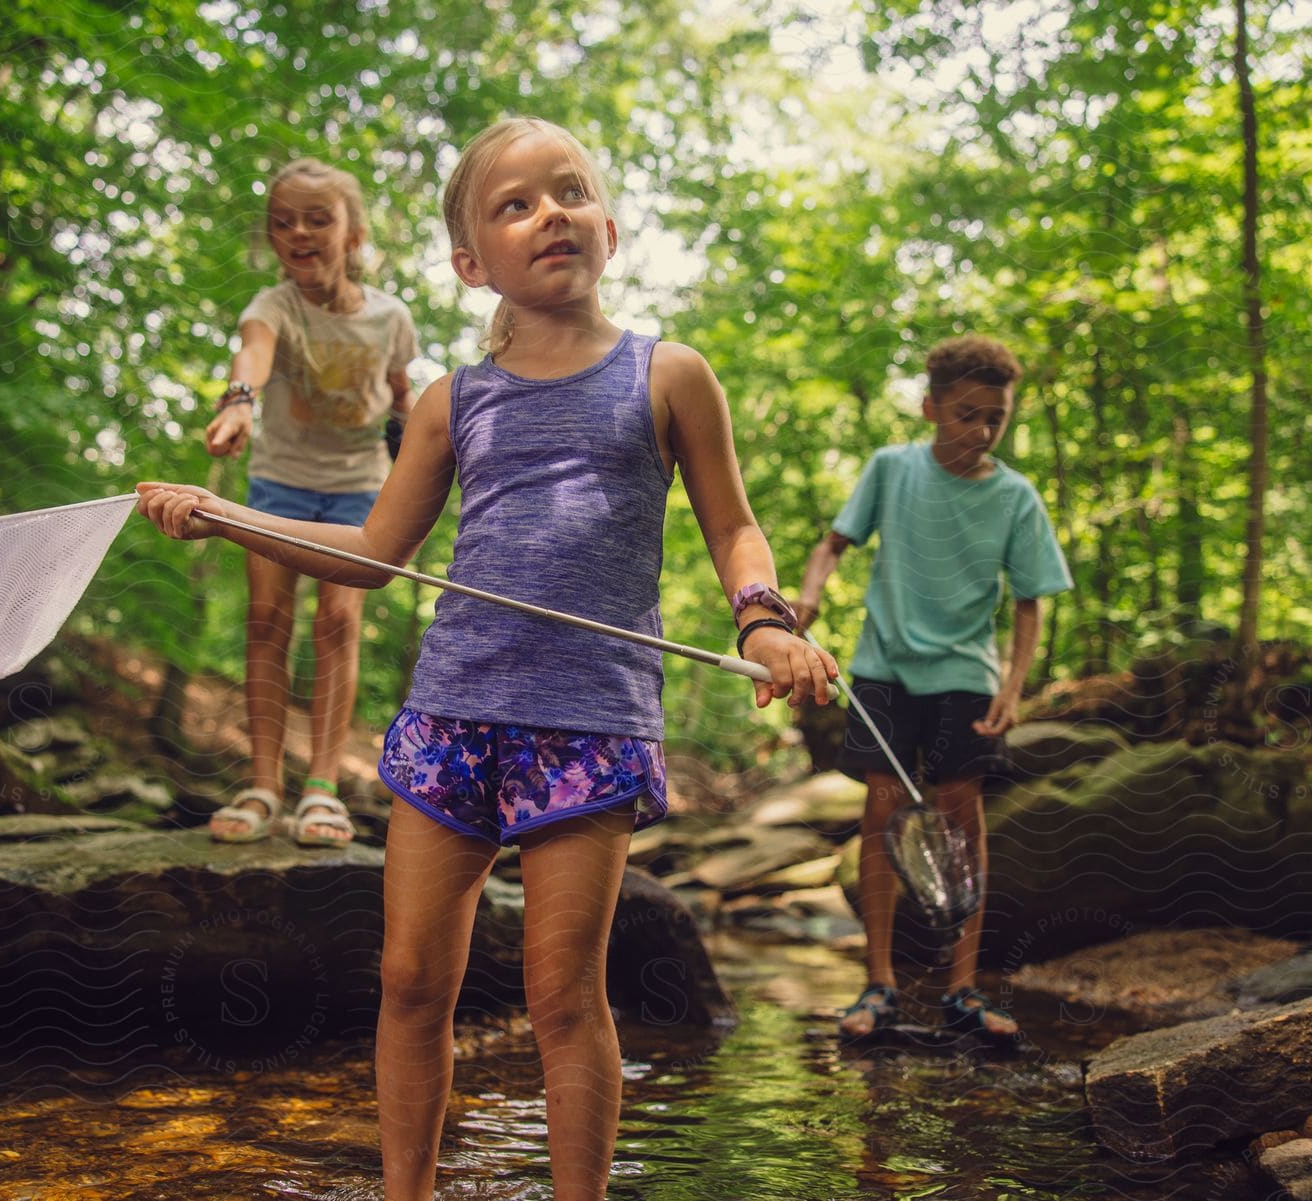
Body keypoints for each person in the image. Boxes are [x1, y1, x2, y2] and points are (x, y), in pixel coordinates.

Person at [137, 117, 838, 1201]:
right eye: (515, 205)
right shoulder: (449, 401)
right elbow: (373, 555)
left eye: (569, 192)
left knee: (565, 998)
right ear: (471, 264)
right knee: (413, 981)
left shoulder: (671, 375)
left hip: (589, 725)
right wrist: (232, 519)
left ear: (609, 224)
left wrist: (763, 617)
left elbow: (735, 527)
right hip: (451, 716)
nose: (549, 212)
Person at [795, 334, 1071, 1043]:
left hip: (964, 675)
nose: (980, 431)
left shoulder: (1016, 496)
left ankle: (963, 989)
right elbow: (832, 544)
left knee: (961, 815)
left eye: (995, 419)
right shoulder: (891, 468)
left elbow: (1031, 598)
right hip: (884, 665)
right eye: (966, 414)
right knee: (882, 810)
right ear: (930, 408)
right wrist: (808, 598)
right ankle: (880, 983)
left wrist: (1013, 684)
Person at [201, 158, 419, 846]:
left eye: (317, 218)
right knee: (266, 617)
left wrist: (425, 450)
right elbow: (252, 353)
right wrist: (240, 404)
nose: (298, 231)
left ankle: (320, 789)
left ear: (352, 235)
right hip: (281, 481)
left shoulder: (391, 317)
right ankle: (264, 783)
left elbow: (400, 392)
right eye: (283, 221)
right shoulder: (273, 307)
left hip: (360, 485)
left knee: (339, 622)